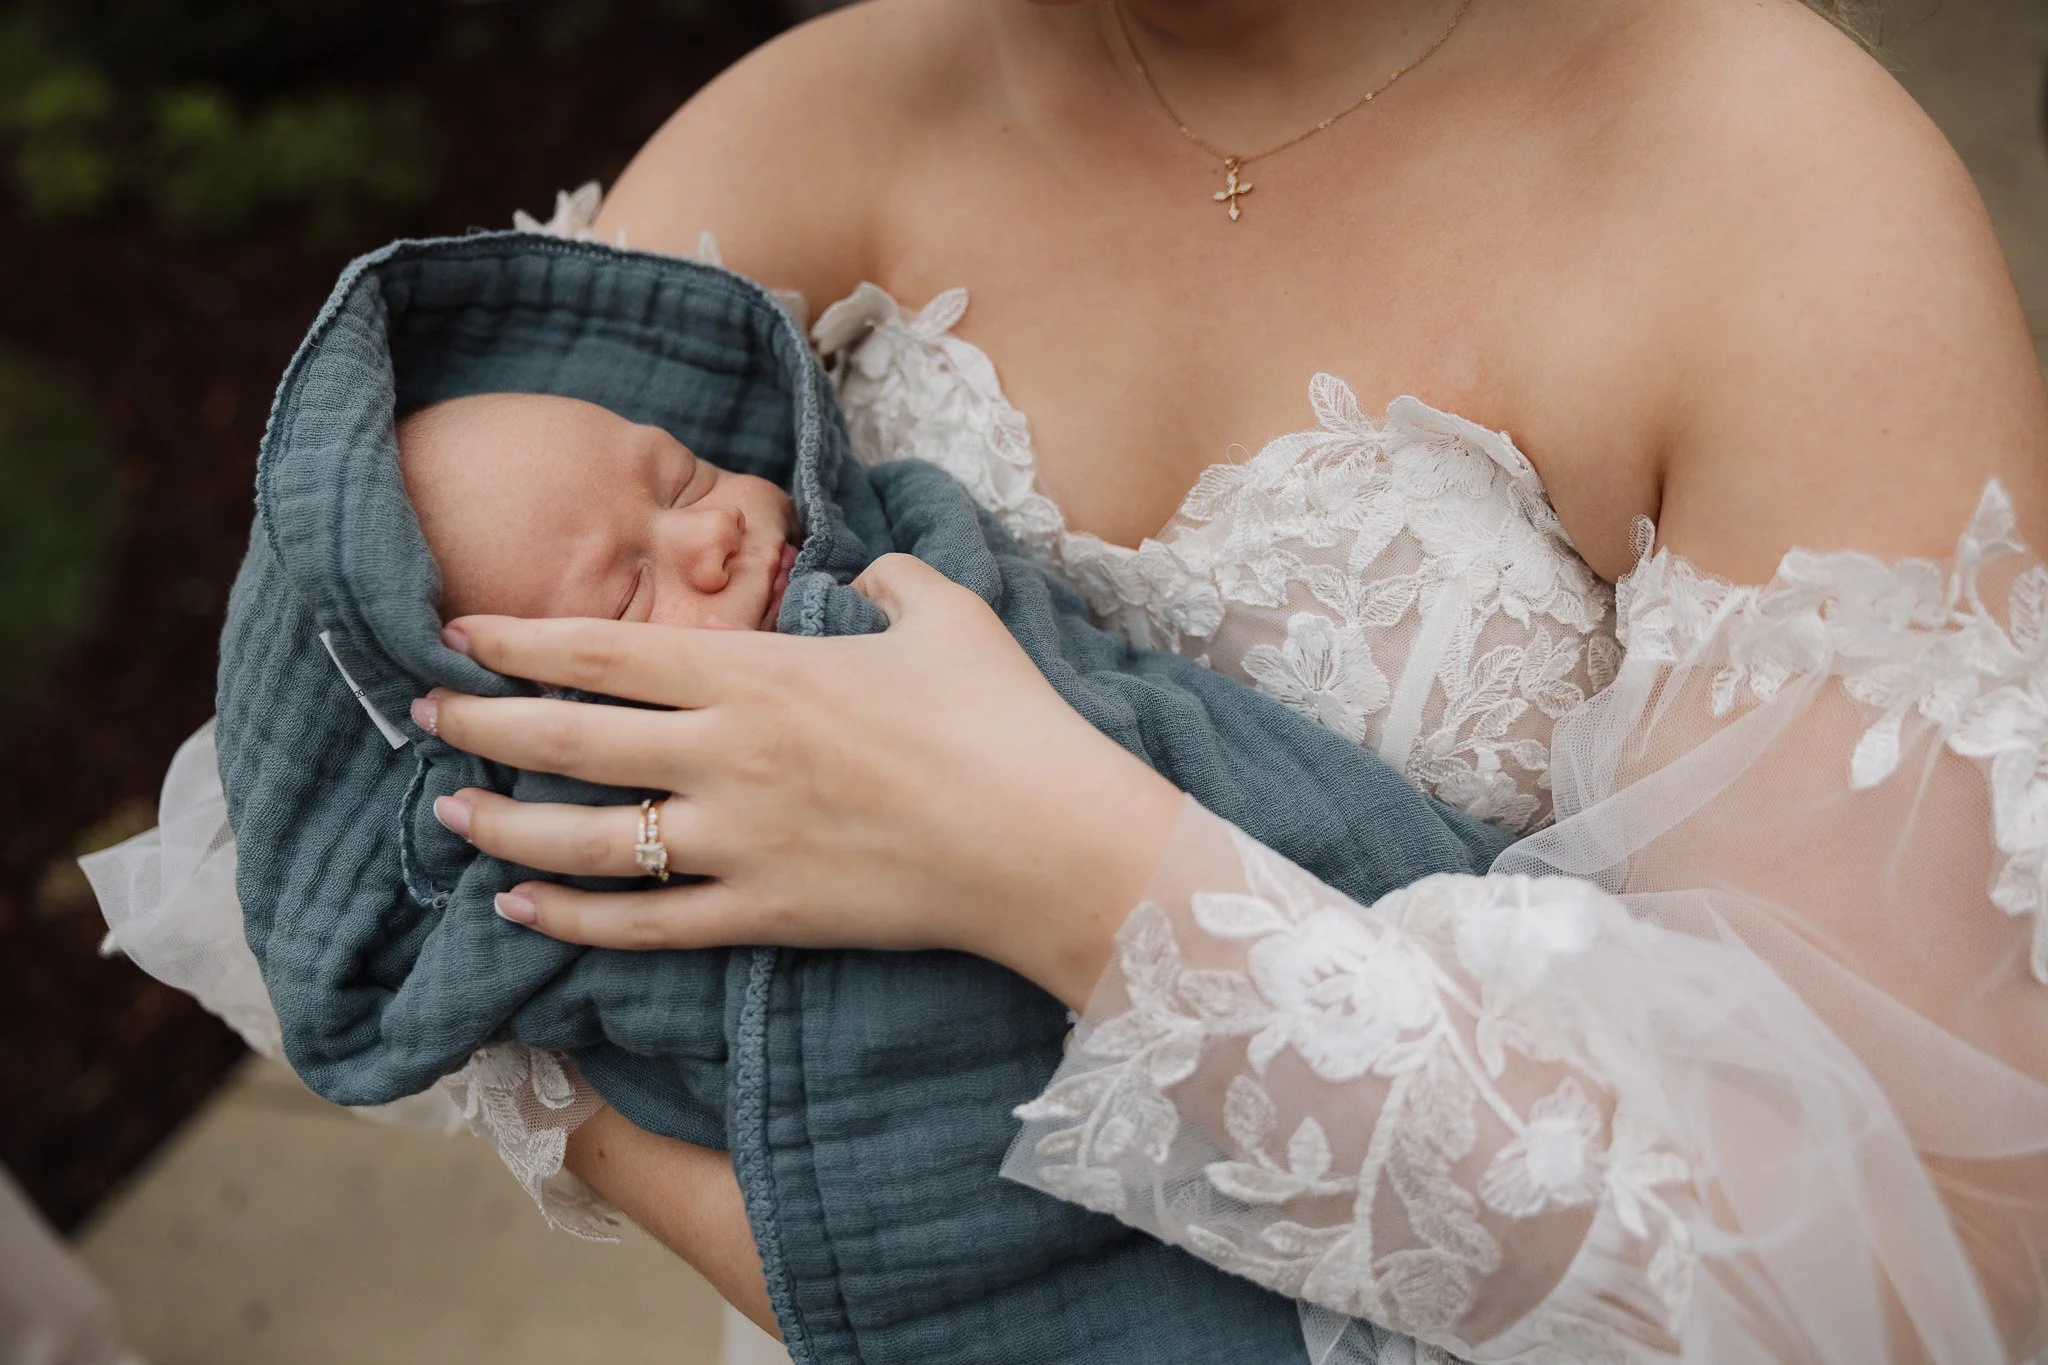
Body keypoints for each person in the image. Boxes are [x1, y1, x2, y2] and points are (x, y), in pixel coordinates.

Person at [125, 0, 2048, 1357]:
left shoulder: (1775, 194)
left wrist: (1056, 867)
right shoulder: (808, 122)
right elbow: (336, 802)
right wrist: (797, 1236)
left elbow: (1898, 1276)